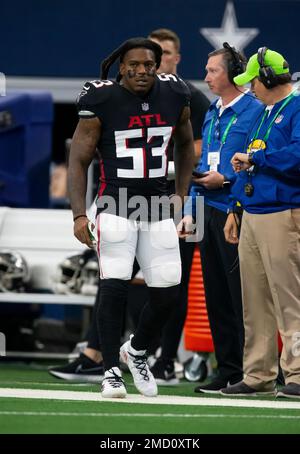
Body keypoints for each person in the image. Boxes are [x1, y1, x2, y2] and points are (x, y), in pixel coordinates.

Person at [49, 29, 209, 386]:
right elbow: (78, 159)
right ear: (121, 68)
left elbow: (185, 146)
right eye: (134, 65)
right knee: (115, 284)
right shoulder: (101, 98)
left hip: (158, 206)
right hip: (116, 203)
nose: (142, 71)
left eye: (149, 65)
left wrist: (180, 196)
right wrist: (78, 214)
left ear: (158, 66)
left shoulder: (175, 93)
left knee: (168, 293)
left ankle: (136, 350)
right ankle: (109, 371)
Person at [180, 43, 262, 393]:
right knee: (215, 295)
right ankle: (227, 369)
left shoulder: (255, 111)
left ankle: (253, 370)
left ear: (232, 74)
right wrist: (189, 212)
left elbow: (257, 162)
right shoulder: (213, 111)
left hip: (237, 211)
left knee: (241, 295)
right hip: (206, 209)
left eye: (212, 70)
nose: (206, 76)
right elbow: (202, 167)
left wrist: (227, 181)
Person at [222, 47, 300, 398]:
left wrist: (257, 158)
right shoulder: (263, 112)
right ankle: (258, 374)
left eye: (253, 80)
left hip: (284, 211)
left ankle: (297, 373)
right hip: (253, 211)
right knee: (254, 301)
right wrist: (235, 207)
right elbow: (247, 162)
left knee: (290, 299)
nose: (250, 87)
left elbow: (297, 155)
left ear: (267, 77)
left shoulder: (296, 107)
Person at [147, 28, 210, 385]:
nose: (158, 58)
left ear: (176, 58)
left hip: (184, 200)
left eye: (165, 52)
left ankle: (167, 359)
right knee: (139, 277)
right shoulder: (136, 97)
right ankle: (140, 350)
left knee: (175, 277)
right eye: (153, 51)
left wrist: (165, 163)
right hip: (140, 197)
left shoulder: (189, 96)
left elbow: (201, 146)